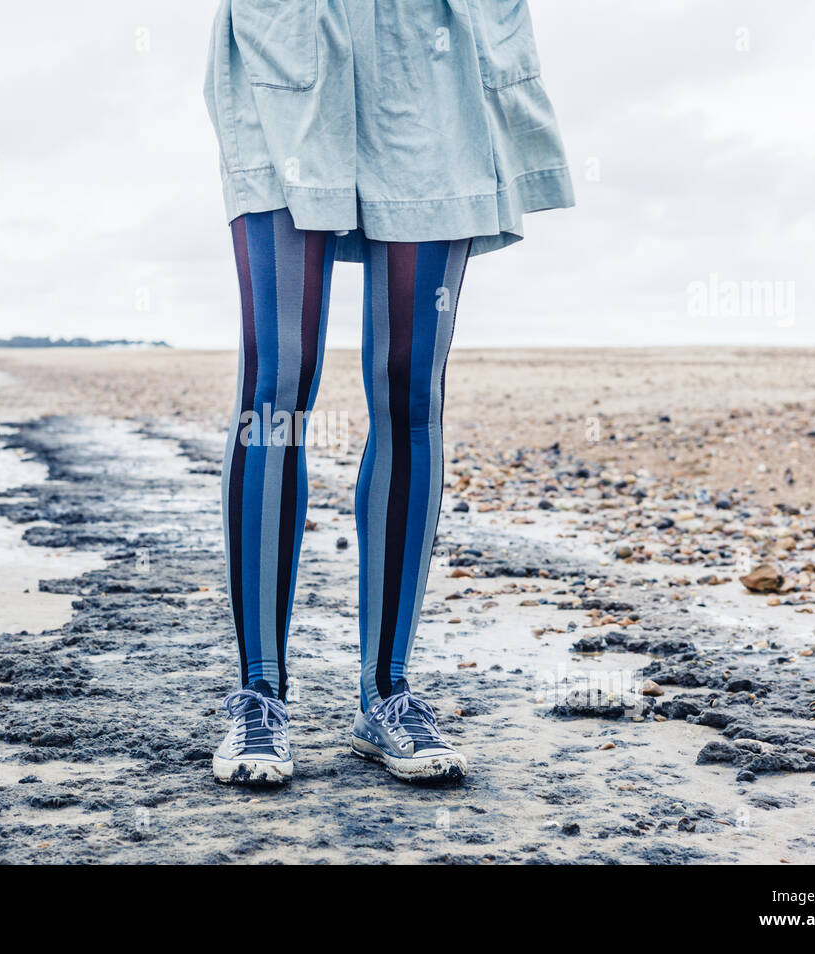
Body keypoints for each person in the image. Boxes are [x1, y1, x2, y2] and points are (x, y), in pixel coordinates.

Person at [203, 0, 573, 785]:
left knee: (409, 393)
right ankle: (259, 694)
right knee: (276, 387)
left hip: (429, 55)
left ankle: (387, 692)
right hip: (287, 40)